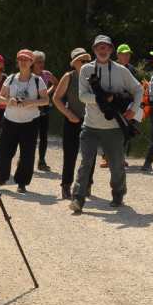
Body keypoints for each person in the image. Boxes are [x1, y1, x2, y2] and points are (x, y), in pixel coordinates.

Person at [70, 35, 143, 211]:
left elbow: (138, 89)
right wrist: (102, 98)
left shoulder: (121, 70)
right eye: (99, 48)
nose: (102, 50)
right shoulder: (86, 70)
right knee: (86, 162)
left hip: (114, 127)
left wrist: (134, 109)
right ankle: (78, 198)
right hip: (90, 125)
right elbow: (82, 95)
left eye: (106, 47)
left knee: (116, 163)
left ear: (111, 50)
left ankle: (118, 193)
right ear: (94, 50)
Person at [0, 49, 49, 193]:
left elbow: (46, 100)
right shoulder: (11, 78)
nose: (23, 62)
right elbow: (0, 97)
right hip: (10, 120)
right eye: (21, 59)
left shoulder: (38, 80)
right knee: (4, 151)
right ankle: (0, 178)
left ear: (31, 62)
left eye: (26, 60)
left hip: (30, 122)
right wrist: (9, 101)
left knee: (27, 154)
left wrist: (31, 102)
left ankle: (22, 182)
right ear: (17, 62)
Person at [52, 48, 93, 200]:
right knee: (70, 154)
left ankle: (87, 184)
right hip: (72, 120)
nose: (86, 63)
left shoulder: (94, 76)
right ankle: (66, 185)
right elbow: (56, 98)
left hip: (91, 121)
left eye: (88, 60)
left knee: (90, 154)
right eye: (82, 60)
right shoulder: (69, 76)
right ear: (74, 63)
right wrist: (68, 114)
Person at [32, 50, 58, 172]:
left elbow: (56, 83)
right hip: (31, 108)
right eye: (38, 62)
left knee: (43, 136)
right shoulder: (28, 75)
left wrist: (47, 93)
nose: (41, 64)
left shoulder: (46, 74)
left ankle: (42, 161)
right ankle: (25, 159)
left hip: (44, 107)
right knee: (29, 135)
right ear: (32, 63)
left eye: (42, 62)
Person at [115, 44, 138, 164]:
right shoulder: (111, 67)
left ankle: (120, 158)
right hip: (114, 104)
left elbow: (135, 88)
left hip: (128, 105)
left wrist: (136, 105)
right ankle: (107, 157)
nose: (126, 56)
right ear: (118, 55)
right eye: (124, 54)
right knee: (112, 131)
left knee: (126, 131)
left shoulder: (132, 69)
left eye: (128, 54)